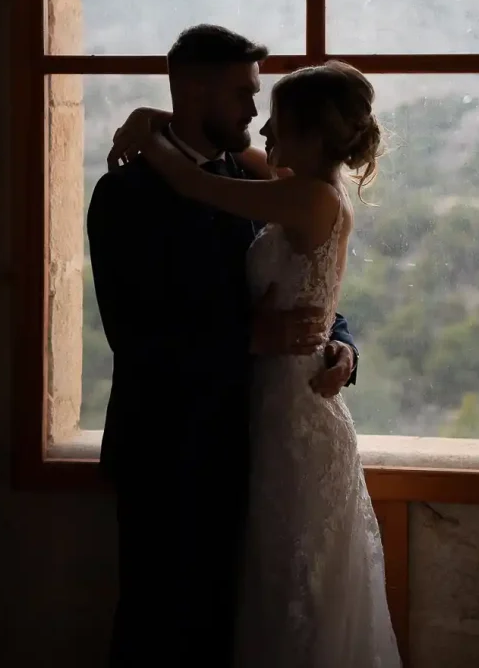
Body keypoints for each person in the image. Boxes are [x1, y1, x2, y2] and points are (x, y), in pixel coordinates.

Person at [111, 55, 401, 668]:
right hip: (236, 419)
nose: (262, 127)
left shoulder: (303, 195)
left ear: (312, 135)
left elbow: (194, 183)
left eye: (276, 119)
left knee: (296, 579)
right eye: (249, 100)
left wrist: (146, 131)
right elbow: (207, 155)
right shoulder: (290, 183)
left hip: (293, 413)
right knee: (263, 583)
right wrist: (154, 118)